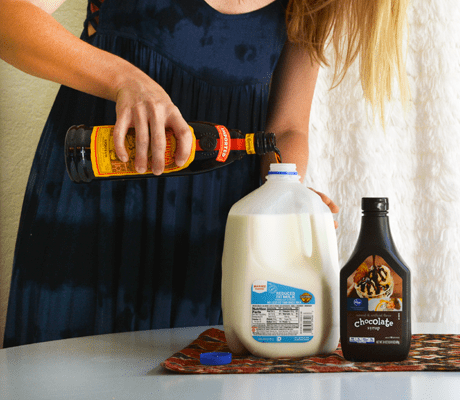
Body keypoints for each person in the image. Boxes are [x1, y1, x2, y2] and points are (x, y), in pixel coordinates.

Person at [0, 0, 410, 347]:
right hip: (90, 207)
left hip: (212, 237)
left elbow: (286, 128)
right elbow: (8, 17)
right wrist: (124, 79)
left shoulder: (310, 4)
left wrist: (286, 195)